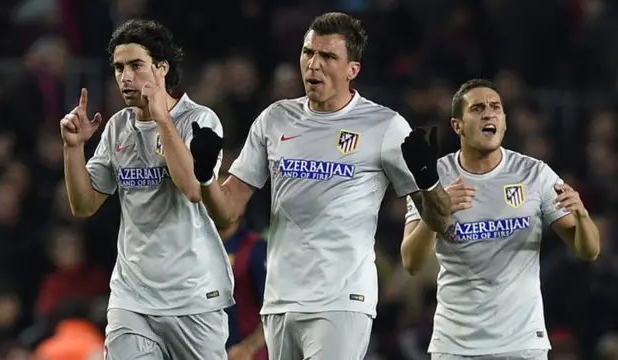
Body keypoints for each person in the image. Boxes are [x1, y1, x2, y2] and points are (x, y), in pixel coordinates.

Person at [188, 12, 451, 360]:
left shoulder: (384, 125)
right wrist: (205, 176)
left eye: (328, 57)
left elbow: (442, 219)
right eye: (308, 53)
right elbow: (227, 213)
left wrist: (428, 180)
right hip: (280, 299)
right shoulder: (274, 119)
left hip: (342, 300)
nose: (314, 65)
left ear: (352, 69)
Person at [60, 19, 234, 360]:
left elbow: (192, 189)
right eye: (118, 67)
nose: (125, 77)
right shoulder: (117, 128)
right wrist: (73, 148)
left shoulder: (200, 121)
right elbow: (83, 205)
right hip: (132, 296)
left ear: (162, 68)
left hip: (194, 295)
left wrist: (162, 121)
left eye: (136, 66)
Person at [400, 78, 601, 360]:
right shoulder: (434, 177)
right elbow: (411, 262)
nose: (489, 113)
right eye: (478, 108)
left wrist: (581, 215)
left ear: (504, 121)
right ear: (457, 125)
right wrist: (436, 212)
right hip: (455, 345)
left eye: (496, 107)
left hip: (521, 342)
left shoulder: (534, 174)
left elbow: (588, 251)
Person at [217, 173, 268, 360]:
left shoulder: (255, 249)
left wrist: (248, 348)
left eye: (224, 194)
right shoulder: (193, 250)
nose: (216, 202)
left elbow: (275, 310)